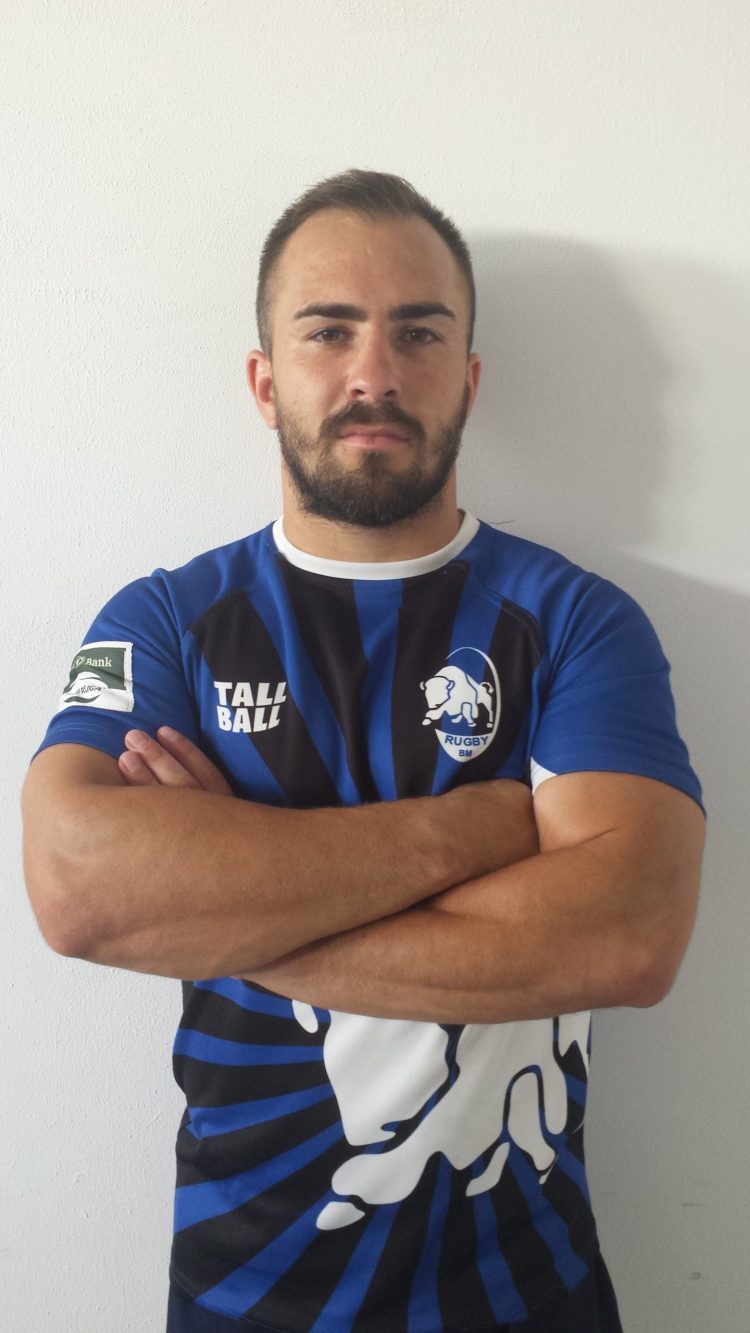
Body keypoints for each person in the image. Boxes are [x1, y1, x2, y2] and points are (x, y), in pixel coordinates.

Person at [22, 170, 705, 1333]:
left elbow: (629, 933)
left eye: (418, 333)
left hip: (528, 1294)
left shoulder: (577, 623)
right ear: (264, 379)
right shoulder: (168, 621)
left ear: (469, 380)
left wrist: (235, 910)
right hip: (242, 1294)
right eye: (328, 330)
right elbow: (80, 889)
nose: (373, 373)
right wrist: (479, 828)